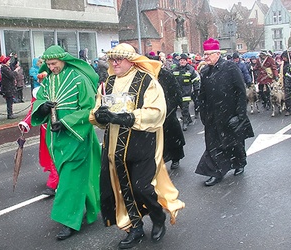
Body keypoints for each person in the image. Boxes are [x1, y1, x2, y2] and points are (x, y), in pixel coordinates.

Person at [89, 43, 185, 249]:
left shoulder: (147, 81)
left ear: (130, 61)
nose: (114, 63)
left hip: (142, 144)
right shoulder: (108, 83)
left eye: (119, 59)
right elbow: (98, 111)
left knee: (142, 188)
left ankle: (158, 217)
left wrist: (126, 117)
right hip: (116, 147)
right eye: (112, 59)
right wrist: (99, 116)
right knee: (124, 189)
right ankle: (135, 227)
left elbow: (156, 112)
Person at [30, 45, 101, 240]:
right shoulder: (49, 81)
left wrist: (67, 122)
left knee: (69, 180)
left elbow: (89, 109)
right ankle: (90, 204)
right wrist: (42, 108)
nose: (51, 67)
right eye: (49, 64)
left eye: (54, 63)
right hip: (55, 139)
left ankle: (69, 220)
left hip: (76, 136)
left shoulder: (79, 79)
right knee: (73, 178)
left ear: (64, 60)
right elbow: (39, 102)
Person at [195, 38, 254, 186]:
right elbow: (202, 95)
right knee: (213, 145)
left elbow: (241, 92)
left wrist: (240, 115)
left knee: (234, 143)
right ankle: (216, 172)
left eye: (209, 54)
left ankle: (240, 162)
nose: (206, 57)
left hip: (229, 114)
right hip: (212, 116)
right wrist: (202, 112)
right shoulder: (205, 71)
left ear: (217, 54)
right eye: (205, 54)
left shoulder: (231, 68)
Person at [18, 87, 59, 196]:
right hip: (46, 129)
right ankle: (57, 178)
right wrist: (26, 123)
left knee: (57, 155)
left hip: (62, 128)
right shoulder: (40, 91)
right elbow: (34, 110)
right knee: (51, 155)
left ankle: (53, 183)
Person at [149, 54, 185, 170]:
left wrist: (172, 107)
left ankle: (176, 158)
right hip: (154, 113)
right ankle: (160, 158)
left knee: (173, 136)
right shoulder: (147, 77)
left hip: (168, 111)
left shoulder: (167, 75)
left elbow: (176, 91)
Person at [172, 53, 200, 131]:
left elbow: (195, 80)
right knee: (181, 107)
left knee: (184, 107)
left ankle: (185, 123)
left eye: (184, 60)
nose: (182, 62)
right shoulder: (175, 69)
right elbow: (171, 80)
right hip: (177, 92)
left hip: (186, 92)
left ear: (186, 61)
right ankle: (188, 119)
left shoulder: (190, 69)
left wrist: (196, 90)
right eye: (181, 60)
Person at [0, 55, 16, 119]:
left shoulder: (6, 68)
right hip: (7, 87)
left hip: (9, 87)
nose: (9, 62)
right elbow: (10, 75)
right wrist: (15, 72)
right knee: (9, 100)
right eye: (8, 61)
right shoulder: (4, 68)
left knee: (10, 100)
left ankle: (10, 113)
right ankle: (10, 114)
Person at [280, 50, 291, 116]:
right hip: (286, 81)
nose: (283, 59)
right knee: (287, 96)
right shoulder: (283, 64)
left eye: (284, 57)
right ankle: (288, 109)